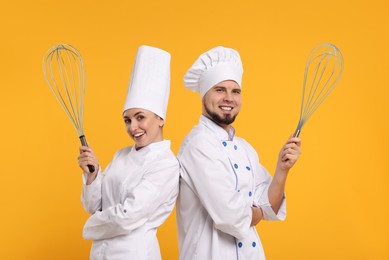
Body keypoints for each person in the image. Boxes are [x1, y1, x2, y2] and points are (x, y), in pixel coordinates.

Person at [177, 46, 302, 260]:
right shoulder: (197, 145)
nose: (229, 98)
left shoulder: (245, 149)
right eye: (219, 90)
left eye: (235, 91)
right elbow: (230, 216)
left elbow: (269, 205)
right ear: (204, 94)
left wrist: (282, 169)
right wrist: (257, 212)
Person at [78, 45, 179, 260]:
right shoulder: (121, 155)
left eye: (140, 117)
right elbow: (93, 206)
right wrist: (93, 174)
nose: (133, 127)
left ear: (160, 118)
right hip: (99, 254)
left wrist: (91, 226)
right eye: (127, 120)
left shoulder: (166, 164)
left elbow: (128, 215)